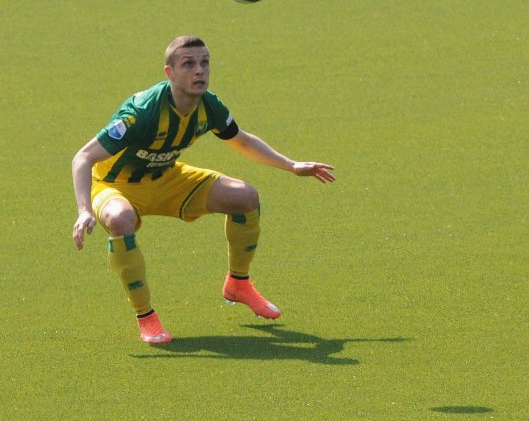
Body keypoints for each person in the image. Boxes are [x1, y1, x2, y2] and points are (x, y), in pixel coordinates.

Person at [71, 35, 335, 344]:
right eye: (189, 64)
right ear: (169, 73)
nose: (200, 71)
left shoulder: (209, 105)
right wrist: (84, 210)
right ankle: (147, 318)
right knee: (119, 219)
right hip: (115, 186)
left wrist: (292, 165)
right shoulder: (143, 111)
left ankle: (238, 284)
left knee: (245, 197)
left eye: (205, 63)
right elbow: (84, 157)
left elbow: (243, 140)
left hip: (166, 179)